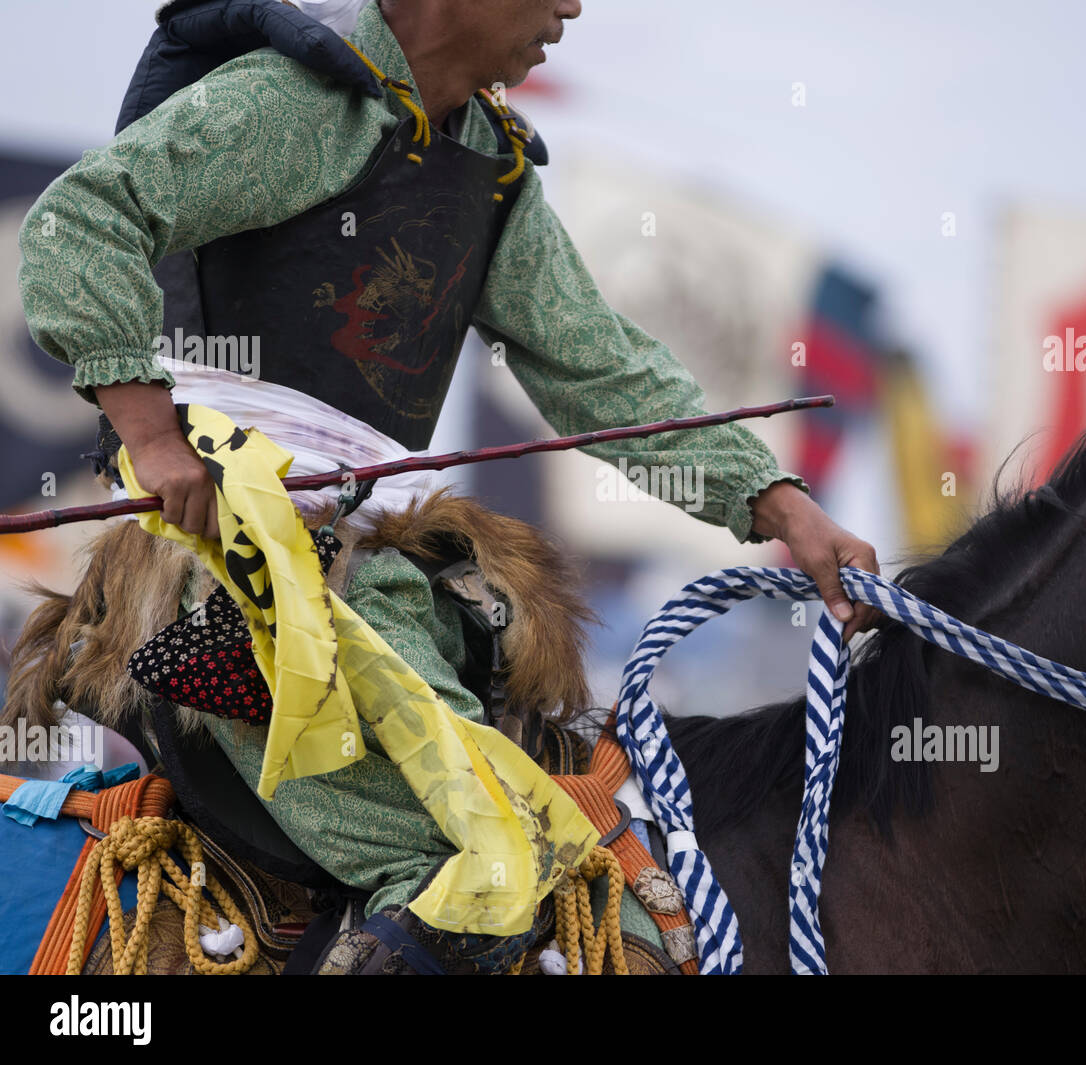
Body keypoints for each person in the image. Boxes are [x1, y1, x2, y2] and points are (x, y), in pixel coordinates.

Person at [17, 0, 880, 972]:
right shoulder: (295, 103)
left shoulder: (493, 164)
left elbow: (603, 368)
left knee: (563, 858)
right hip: (231, 566)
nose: (570, 8)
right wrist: (153, 434)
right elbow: (77, 220)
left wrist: (784, 507)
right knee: (485, 860)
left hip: (375, 578)